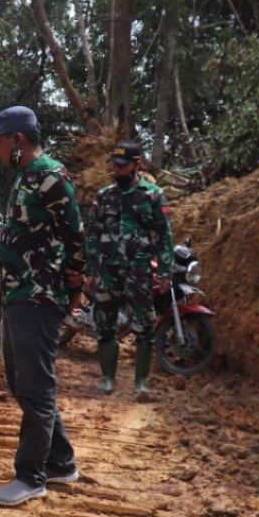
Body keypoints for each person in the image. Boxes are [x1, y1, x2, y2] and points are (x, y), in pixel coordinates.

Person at [0, 107, 86, 507]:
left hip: (40, 297)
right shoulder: (26, 178)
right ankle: (60, 461)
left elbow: (75, 237)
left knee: (37, 389)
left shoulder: (51, 178)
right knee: (24, 384)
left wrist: (74, 286)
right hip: (19, 292)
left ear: (18, 141)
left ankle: (31, 475)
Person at [84, 142, 175, 400]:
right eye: (114, 164)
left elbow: (164, 236)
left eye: (123, 165)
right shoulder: (103, 196)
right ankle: (107, 379)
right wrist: (90, 270)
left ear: (137, 165)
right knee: (104, 325)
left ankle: (141, 385)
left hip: (139, 270)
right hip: (107, 270)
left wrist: (166, 272)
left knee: (144, 326)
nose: (117, 169)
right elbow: (93, 234)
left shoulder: (153, 195)